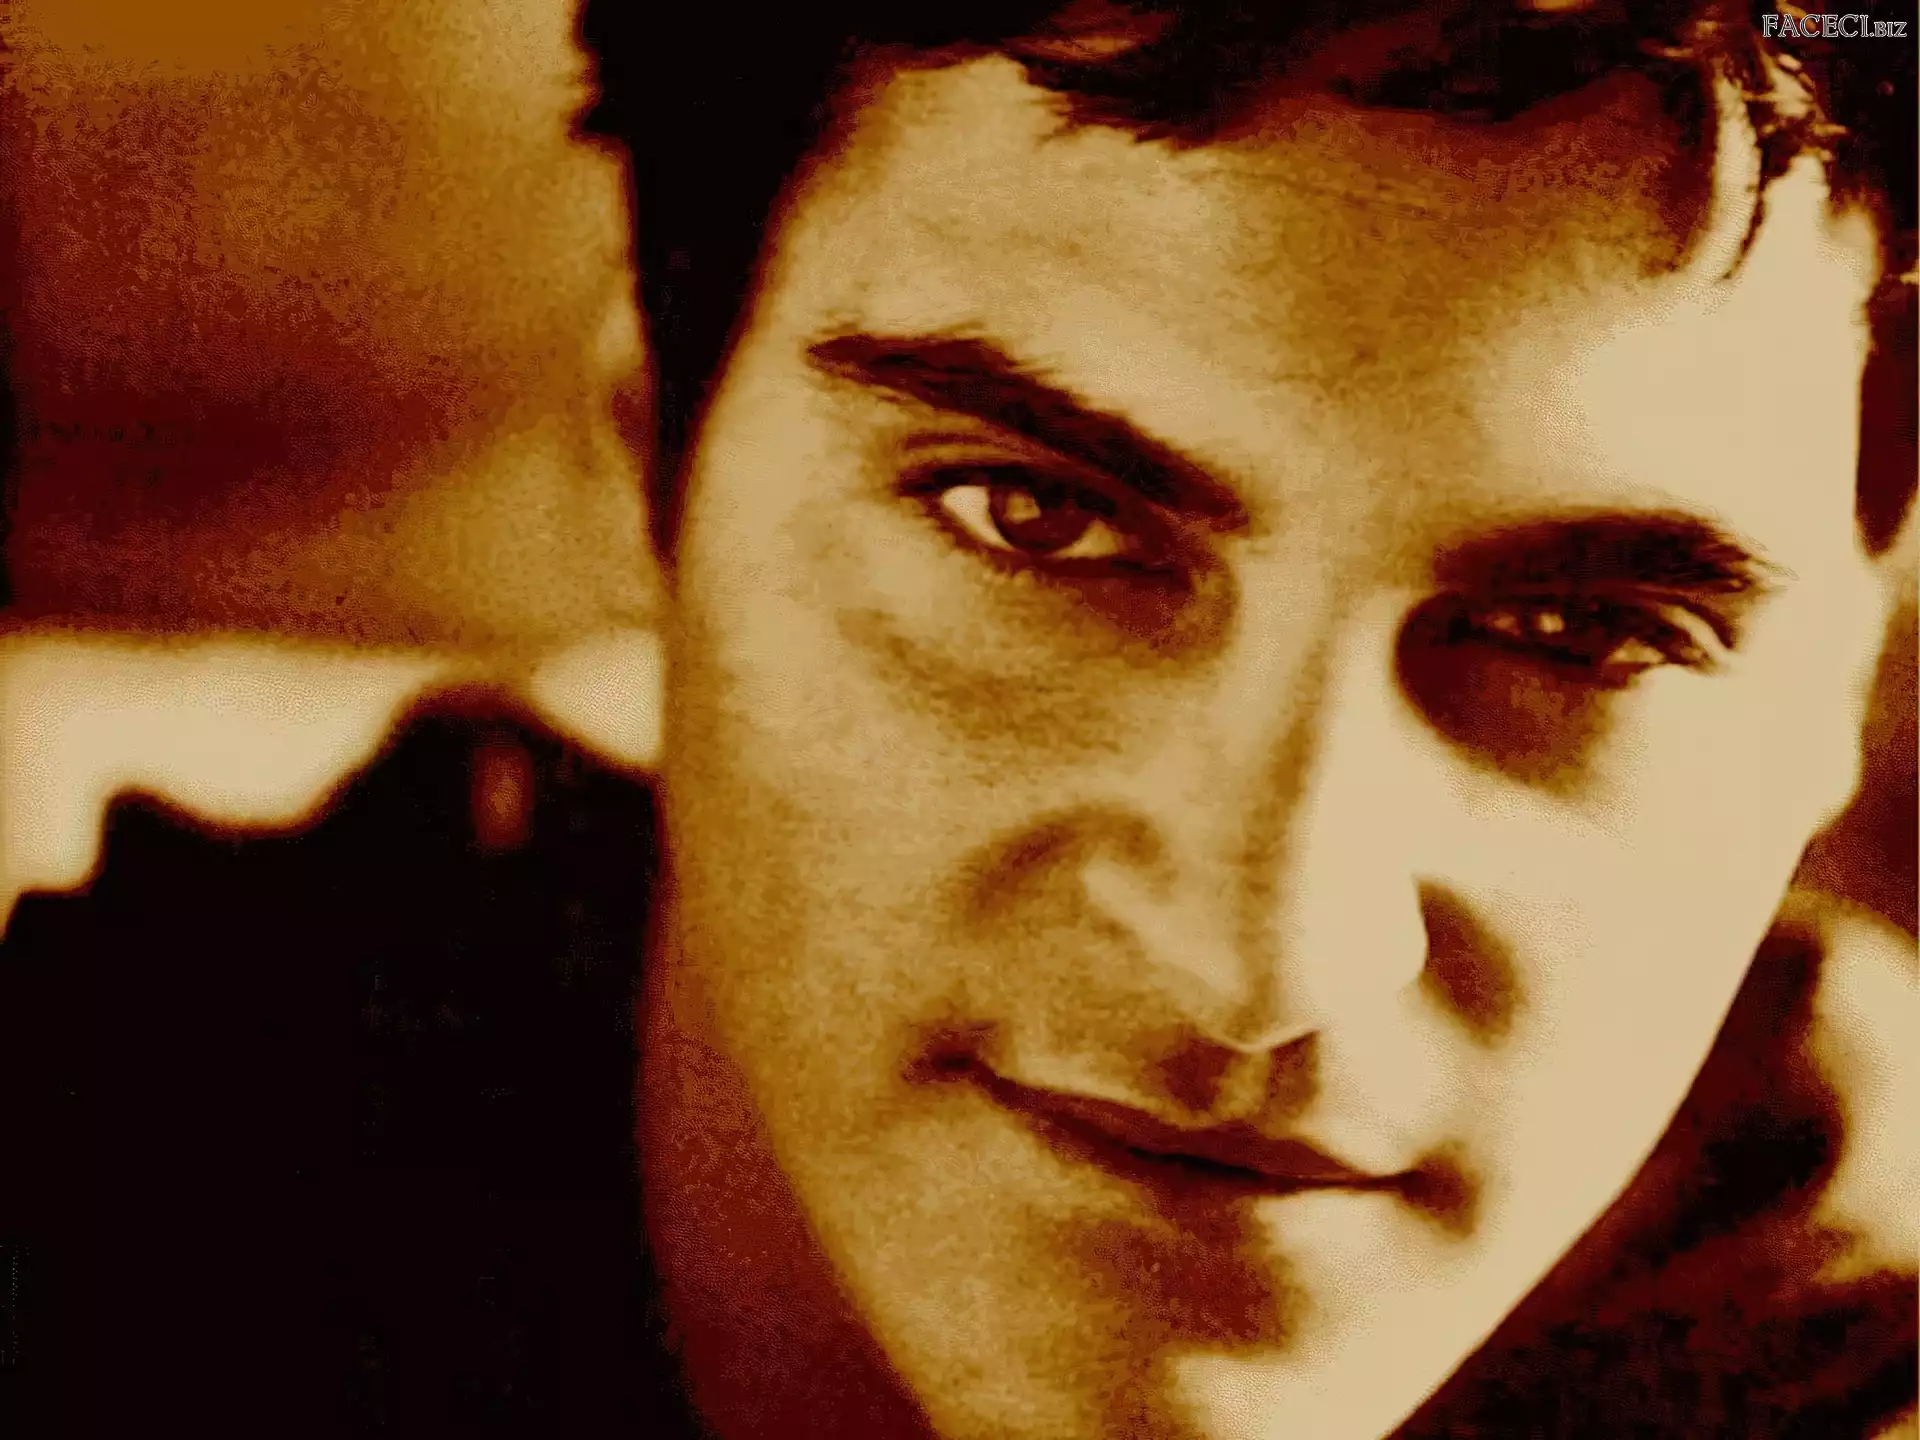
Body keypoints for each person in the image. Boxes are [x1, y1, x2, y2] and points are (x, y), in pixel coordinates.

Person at [1, 1, 1914, 1436]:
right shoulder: (114, 1207)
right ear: (650, 462)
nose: (1263, 964)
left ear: (1846, 679)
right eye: (1033, 521)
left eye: (1585, 632)